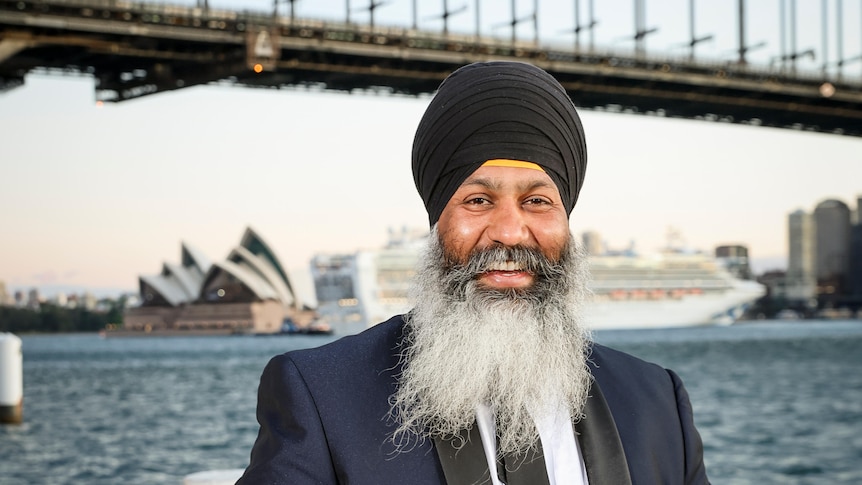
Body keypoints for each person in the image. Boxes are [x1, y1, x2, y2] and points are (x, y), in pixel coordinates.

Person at [237, 61, 709, 485]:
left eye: (537, 202)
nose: (509, 232)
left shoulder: (657, 402)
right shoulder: (323, 396)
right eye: (478, 200)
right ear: (436, 222)